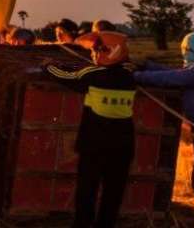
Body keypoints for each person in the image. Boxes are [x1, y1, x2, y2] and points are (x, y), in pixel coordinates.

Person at [44, 31, 135, 228]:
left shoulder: (93, 74)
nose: (93, 54)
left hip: (94, 144)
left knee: (87, 189)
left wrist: (48, 65)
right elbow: (127, 66)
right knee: (113, 191)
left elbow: (66, 76)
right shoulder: (130, 74)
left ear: (111, 52)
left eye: (98, 50)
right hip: (123, 146)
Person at [134, 32, 194, 227]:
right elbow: (179, 74)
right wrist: (149, 66)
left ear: (189, 50)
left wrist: (135, 75)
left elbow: (172, 78)